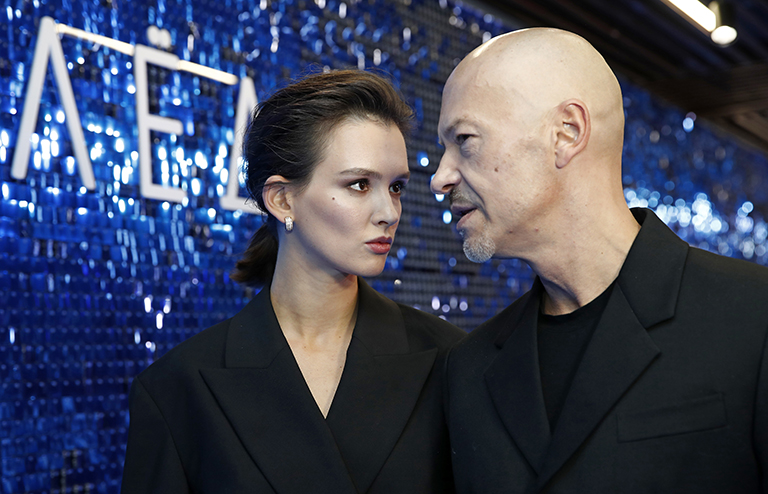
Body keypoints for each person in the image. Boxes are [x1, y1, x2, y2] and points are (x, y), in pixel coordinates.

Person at [431, 27, 768, 493]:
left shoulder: (754, 317)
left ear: (566, 133)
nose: (440, 177)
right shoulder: (468, 369)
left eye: (465, 139)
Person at [121, 70, 465, 494]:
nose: (389, 213)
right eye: (359, 184)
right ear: (282, 199)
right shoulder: (177, 388)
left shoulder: (450, 361)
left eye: (395, 187)